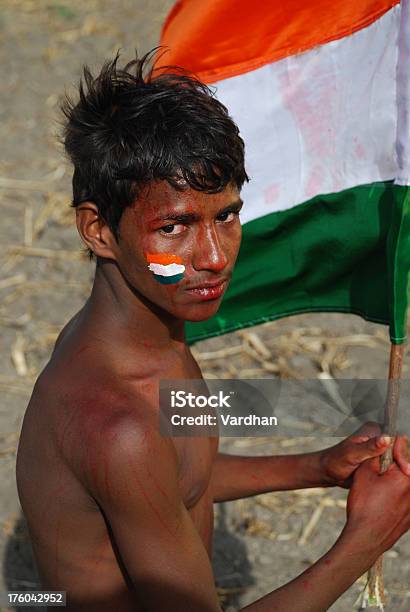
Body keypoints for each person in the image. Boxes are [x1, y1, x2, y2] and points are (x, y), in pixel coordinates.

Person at [16, 50, 410, 612]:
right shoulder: (117, 424)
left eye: (225, 215)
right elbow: (144, 464)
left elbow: (177, 479)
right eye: (173, 226)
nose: (214, 256)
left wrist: (317, 467)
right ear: (98, 230)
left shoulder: (143, 341)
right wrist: (364, 541)